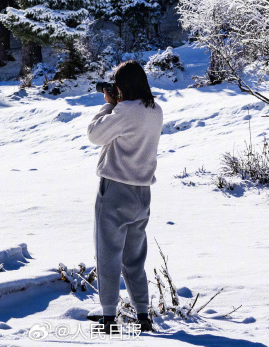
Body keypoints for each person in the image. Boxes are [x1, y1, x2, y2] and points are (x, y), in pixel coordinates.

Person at [87, 59, 164, 334]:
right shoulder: (156, 111)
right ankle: (143, 315)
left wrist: (109, 104)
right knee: (134, 260)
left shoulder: (123, 111)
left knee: (107, 256)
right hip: (142, 195)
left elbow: (94, 135)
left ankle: (109, 318)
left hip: (115, 192)